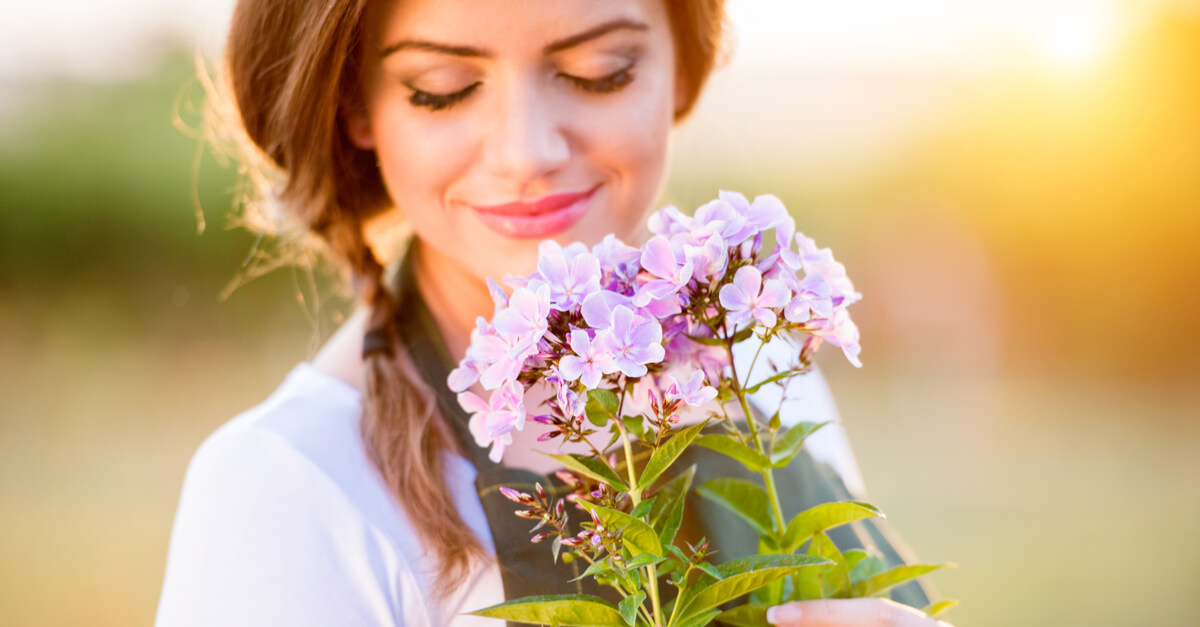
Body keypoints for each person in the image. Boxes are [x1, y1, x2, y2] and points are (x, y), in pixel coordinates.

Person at [155, 1, 952, 625]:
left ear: (684, 68)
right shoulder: (285, 489)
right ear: (356, 103)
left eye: (599, 72)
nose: (526, 152)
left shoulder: (758, 362)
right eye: (442, 88)